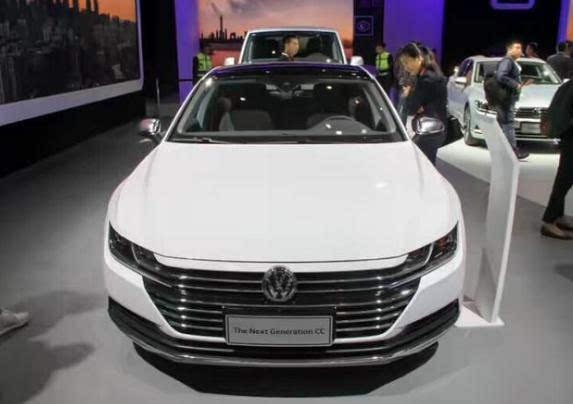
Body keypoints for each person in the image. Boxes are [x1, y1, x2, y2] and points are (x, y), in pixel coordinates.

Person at [399, 42, 447, 165]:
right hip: (433, 129)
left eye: (407, 62)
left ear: (418, 58)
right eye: (403, 64)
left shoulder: (427, 80)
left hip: (430, 130)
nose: (405, 67)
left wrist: (407, 94)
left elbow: (411, 107)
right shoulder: (429, 76)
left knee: (424, 166)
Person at [541, 80, 573, 239]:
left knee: (565, 177)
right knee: (565, 179)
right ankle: (549, 221)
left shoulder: (568, 84)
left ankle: (558, 216)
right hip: (571, 137)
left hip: (568, 136)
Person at [495, 39, 531, 160]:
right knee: (508, 124)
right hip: (506, 99)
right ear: (509, 49)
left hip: (507, 98)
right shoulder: (507, 61)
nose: (520, 50)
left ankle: (505, 151)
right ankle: (512, 151)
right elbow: (501, 76)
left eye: (521, 48)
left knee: (504, 124)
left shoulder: (511, 62)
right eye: (517, 48)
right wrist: (515, 85)